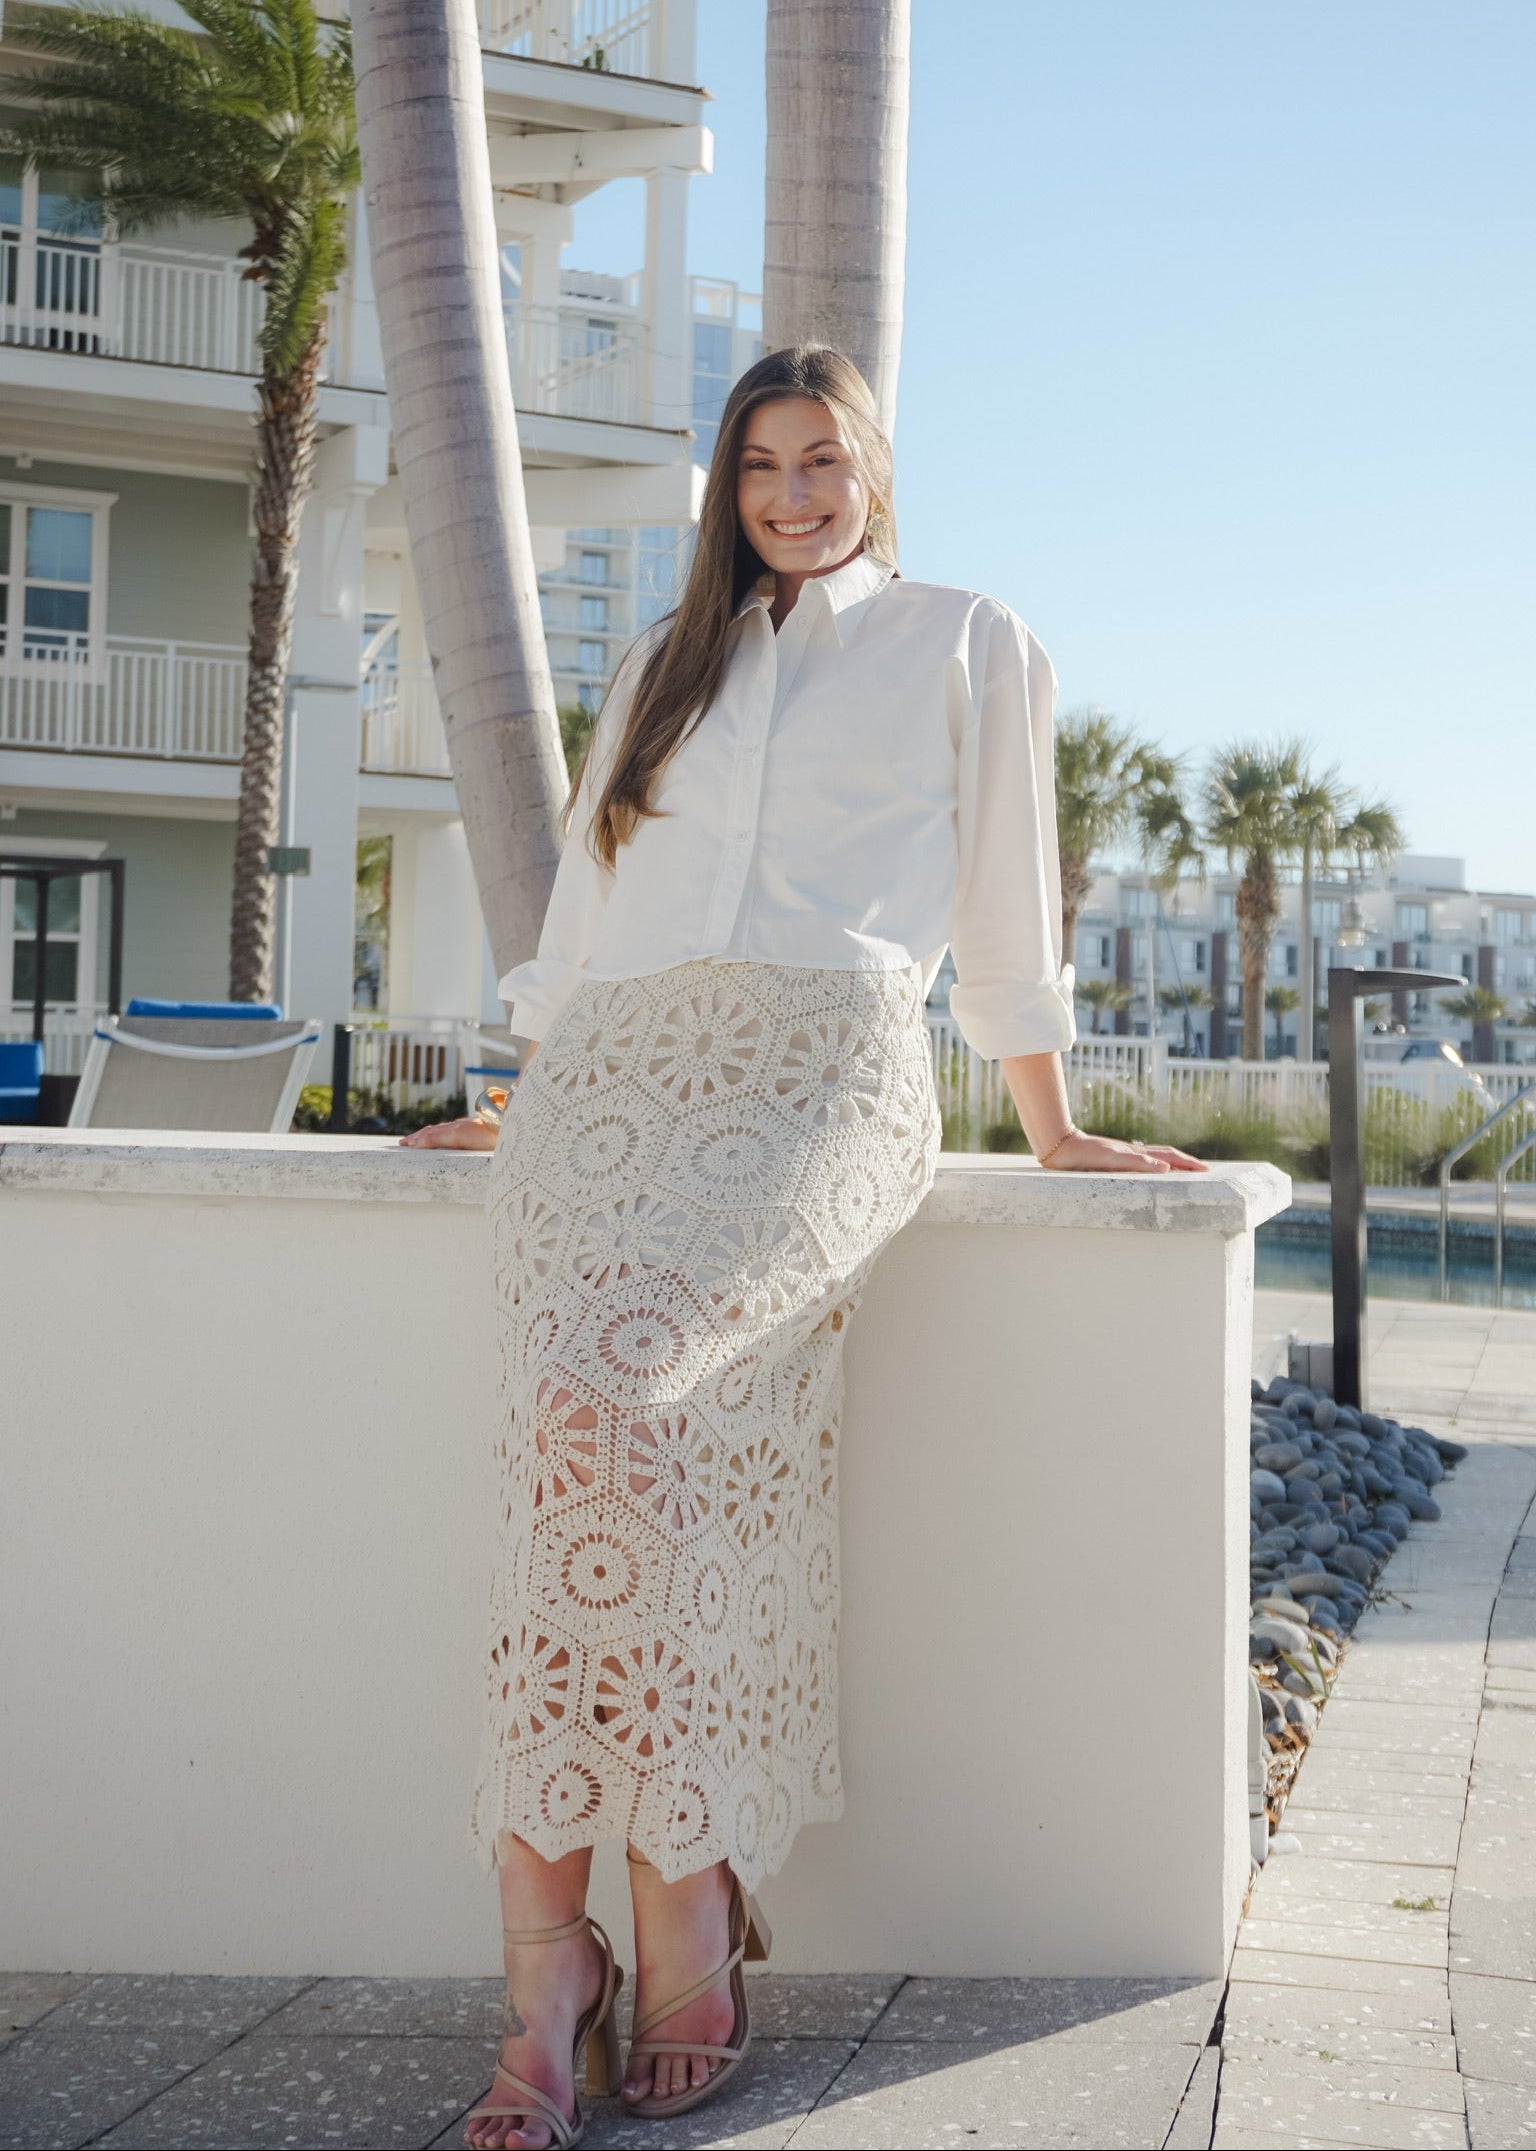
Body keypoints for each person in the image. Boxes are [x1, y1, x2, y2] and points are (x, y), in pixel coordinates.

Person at [402, 344, 1204, 2151]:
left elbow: (1006, 891)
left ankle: (685, 1881)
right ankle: (552, 1965)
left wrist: (1050, 1118)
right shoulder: (666, 665)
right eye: (757, 462)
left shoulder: (964, 641)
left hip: (818, 1083)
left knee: (642, 1418)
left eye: (819, 458)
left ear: (874, 469)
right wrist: (535, 1092)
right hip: (608, 1097)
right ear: (727, 484)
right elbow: (589, 912)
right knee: (572, 1464)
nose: (788, 492)